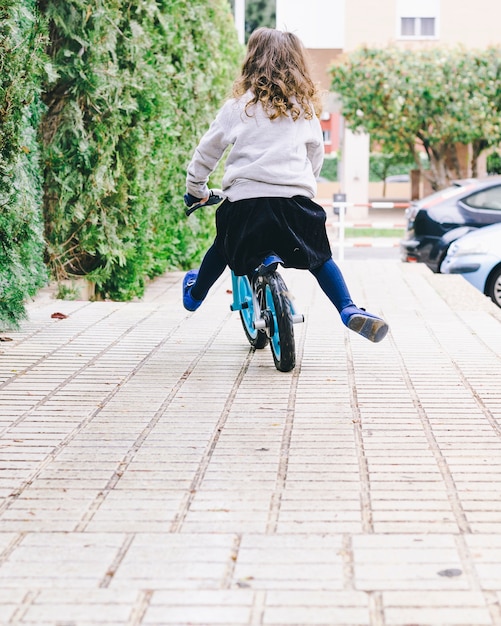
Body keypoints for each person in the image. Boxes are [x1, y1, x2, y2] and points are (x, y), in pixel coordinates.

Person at [183, 27, 388, 344]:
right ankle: (347, 308)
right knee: (321, 259)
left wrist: (196, 190)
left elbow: (206, 154)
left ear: (251, 61)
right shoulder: (304, 111)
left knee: (223, 246)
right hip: (294, 204)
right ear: (296, 65)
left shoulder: (236, 108)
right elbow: (314, 157)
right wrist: (305, 188)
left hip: (245, 206)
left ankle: (195, 295)